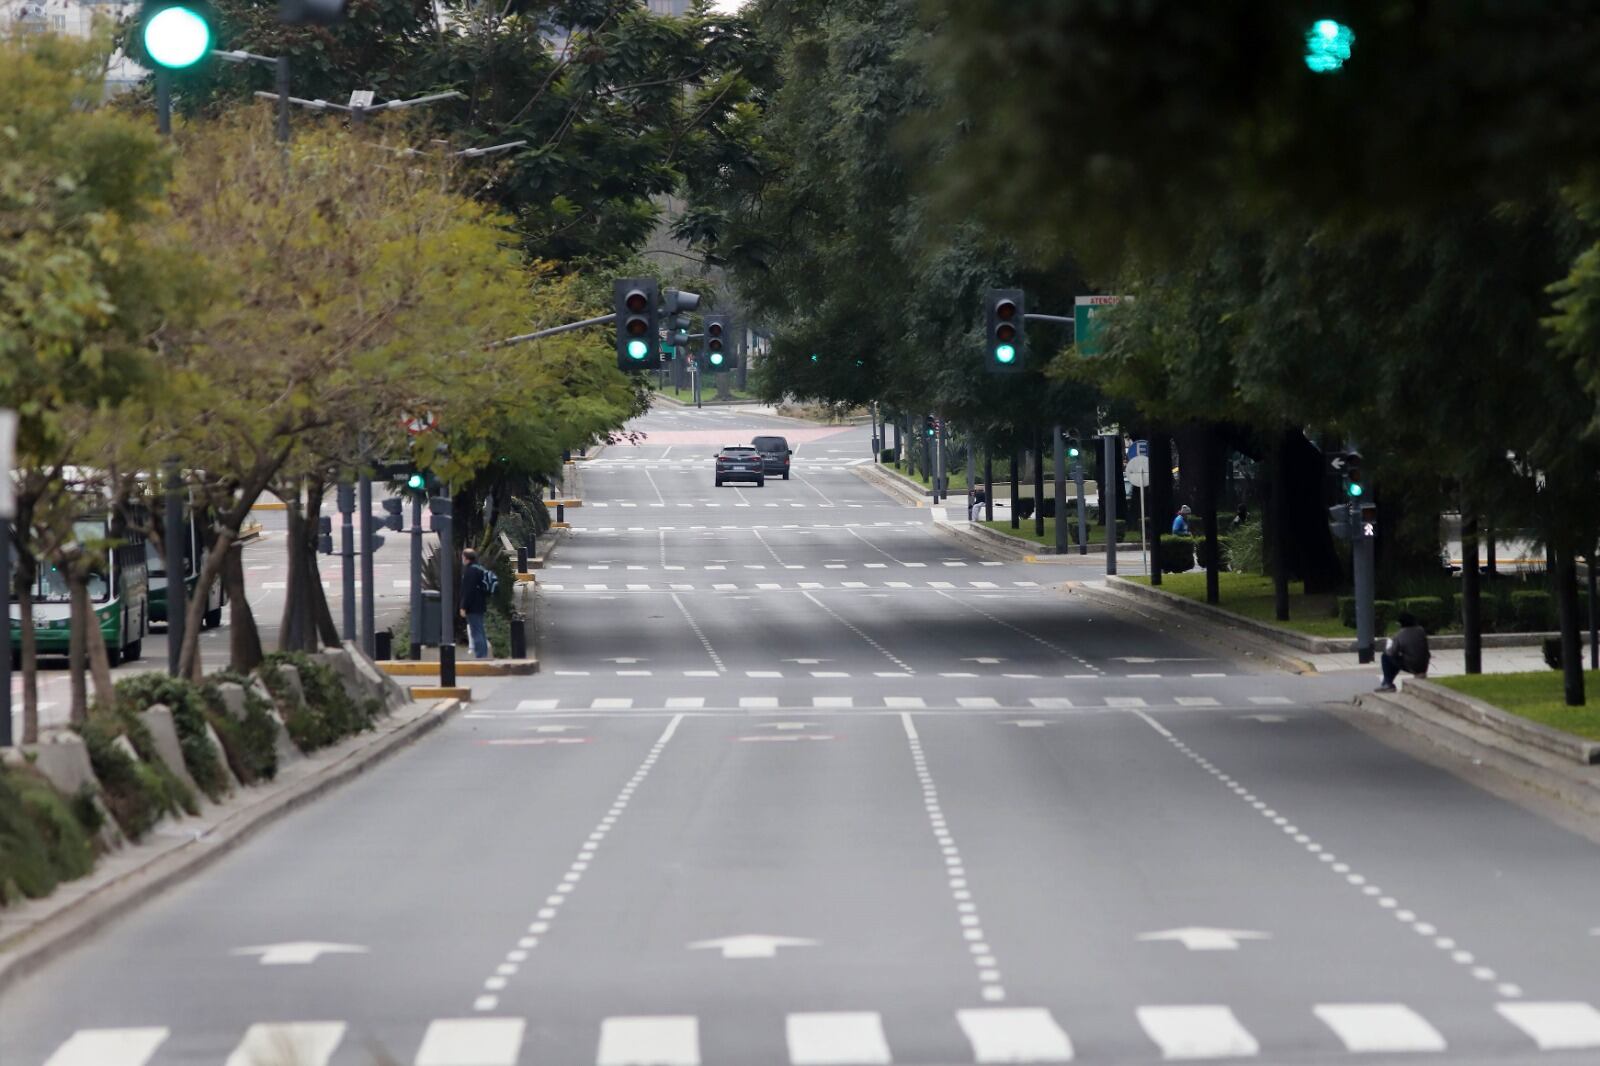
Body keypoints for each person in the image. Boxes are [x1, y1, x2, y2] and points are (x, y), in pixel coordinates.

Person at [1376, 611, 1431, 692]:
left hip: (1412, 665)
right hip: (1424, 664)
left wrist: (1388, 647)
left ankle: (1387, 683)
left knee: (1386, 657)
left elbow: (1392, 652)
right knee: (1396, 660)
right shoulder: (1421, 630)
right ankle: (1387, 683)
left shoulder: (1400, 634)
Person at [459, 547, 492, 659]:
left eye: (463, 557)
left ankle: (480, 655)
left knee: (476, 631)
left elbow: (468, 591)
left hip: (473, 607)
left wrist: (463, 606)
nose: (462, 559)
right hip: (480, 605)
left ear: (467, 558)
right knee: (480, 630)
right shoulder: (479, 569)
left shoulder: (470, 571)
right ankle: (483, 653)